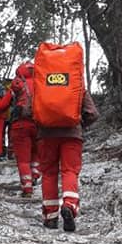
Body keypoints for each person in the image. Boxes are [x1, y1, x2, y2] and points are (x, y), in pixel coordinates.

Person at [37, 88, 98, 232]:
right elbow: (92, 113)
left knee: (49, 174)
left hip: (47, 135)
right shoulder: (76, 84)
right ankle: (69, 205)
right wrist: (79, 124)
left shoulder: (42, 83)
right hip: (72, 134)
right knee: (70, 171)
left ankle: (50, 217)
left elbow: (29, 111)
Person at [0, 61, 40, 196]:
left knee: (23, 160)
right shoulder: (42, 83)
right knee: (36, 154)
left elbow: (1, 106)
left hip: (20, 125)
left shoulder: (17, 85)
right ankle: (35, 175)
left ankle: (27, 188)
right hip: (39, 124)